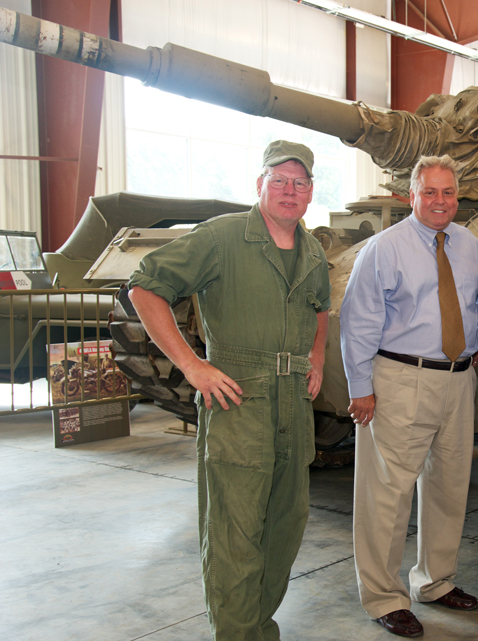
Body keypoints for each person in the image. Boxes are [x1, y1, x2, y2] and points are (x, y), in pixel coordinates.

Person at [127, 140, 330, 641]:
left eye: (298, 182)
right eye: (278, 180)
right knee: (234, 537)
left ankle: (258, 629)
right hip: (239, 400)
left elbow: (320, 308)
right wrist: (193, 366)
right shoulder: (220, 238)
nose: (289, 190)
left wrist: (318, 357)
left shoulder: (313, 250)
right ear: (259, 185)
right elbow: (144, 286)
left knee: (285, 528)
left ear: (310, 193)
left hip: (293, 405)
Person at [339, 154, 478, 638]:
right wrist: (361, 388)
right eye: (430, 192)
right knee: (387, 493)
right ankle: (384, 597)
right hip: (401, 378)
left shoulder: (471, 246)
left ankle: (436, 580)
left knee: (450, 486)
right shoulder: (384, 249)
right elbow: (357, 321)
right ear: (412, 195)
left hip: (457, 379)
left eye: (448, 192)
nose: (440, 201)